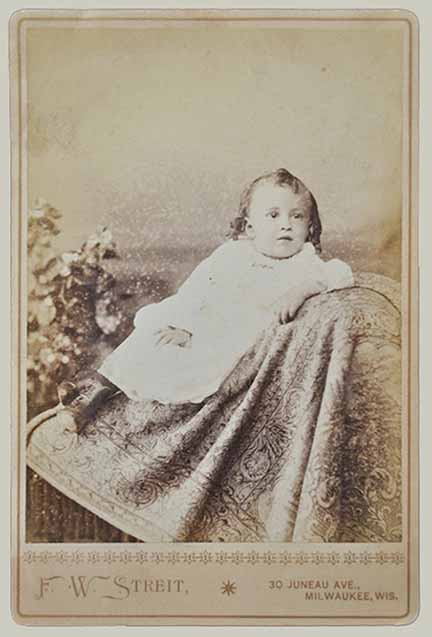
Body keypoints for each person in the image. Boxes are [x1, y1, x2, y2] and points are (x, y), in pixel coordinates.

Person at [60, 168, 353, 427]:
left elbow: (340, 273)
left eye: (297, 216)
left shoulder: (304, 261)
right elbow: (196, 290)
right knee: (152, 335)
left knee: (178, 364)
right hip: (201, 322)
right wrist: (185, 326)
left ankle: (97, 392)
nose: (286, 224)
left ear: (309, 226)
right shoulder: (233, 253)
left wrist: (302, 289)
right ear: (250, 227)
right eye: (273, 215)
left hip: (233, 341)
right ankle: (95, 387)